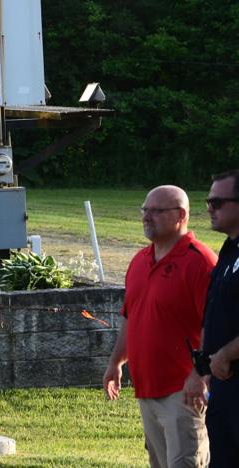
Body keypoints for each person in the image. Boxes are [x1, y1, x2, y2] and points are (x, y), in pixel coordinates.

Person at [102, 185, 215, 468]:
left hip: (183, 391)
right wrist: (116, 362)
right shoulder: (140, 261)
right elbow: (131, 316)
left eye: (156, 211)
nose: (146, 216)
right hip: (147, 389)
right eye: (145, 210)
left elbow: (214, 325)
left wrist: (199, 374)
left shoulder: (199, 261)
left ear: (181, 215)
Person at [195, 169, 239, 465]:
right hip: (223, 384)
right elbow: (214, 311)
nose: (210, 208)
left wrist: (224, 355)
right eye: (208, 201)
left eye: (217, 202)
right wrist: (206, 365)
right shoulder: (229, 249)